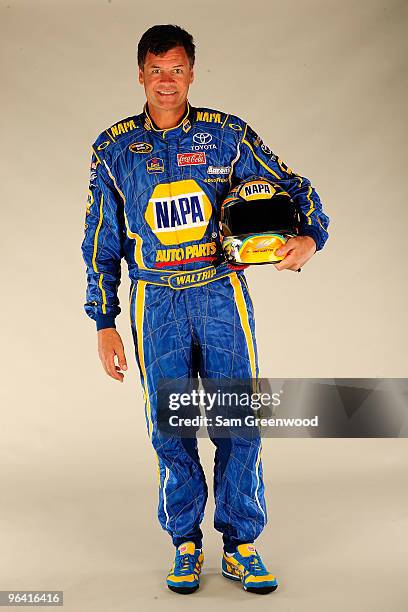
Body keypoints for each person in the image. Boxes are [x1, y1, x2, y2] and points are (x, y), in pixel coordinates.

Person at [81, 24, 329, 595]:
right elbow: (100, 240)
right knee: (172, 425)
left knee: (237, 418)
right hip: (153, 302)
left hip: (220, 293)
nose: (166, 81)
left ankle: (241, 544)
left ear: (192, 72)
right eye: (156, 69)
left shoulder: (226, 135)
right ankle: (186, 542)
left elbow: (292, 186)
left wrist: (309, 238)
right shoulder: (113, 148)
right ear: (140, 73)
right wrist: (103, 321)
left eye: (177, 69)